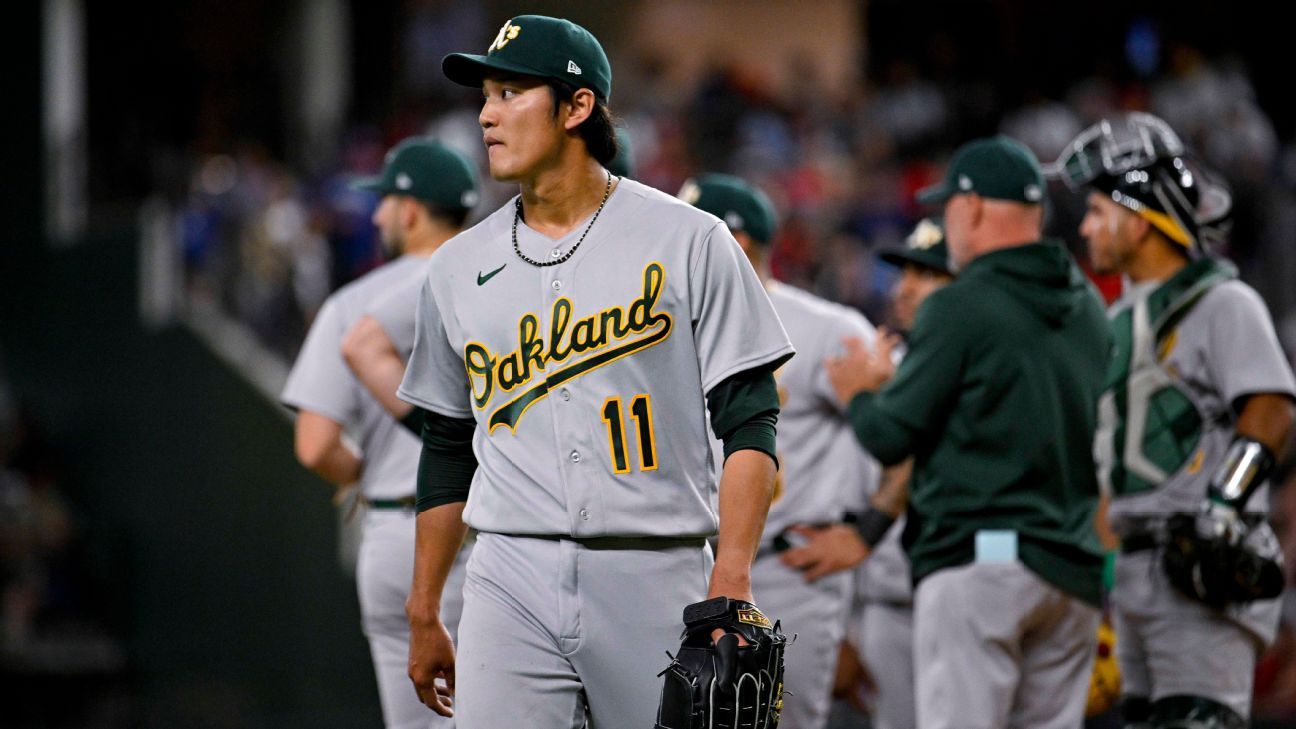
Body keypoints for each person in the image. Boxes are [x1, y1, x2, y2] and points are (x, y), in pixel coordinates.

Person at [395, 16, 794, 727]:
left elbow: (751, 418)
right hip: (508, 570)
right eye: (486, 94)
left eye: (512, 92)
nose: (487, 113)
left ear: (577, 108)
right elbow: (448, 447)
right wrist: (424, 606)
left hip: (655, 564)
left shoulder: (688, 239)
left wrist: (730, 574)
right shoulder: (454, 268)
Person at [826, 135, 1110, 729]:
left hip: (980, 562)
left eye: (947, 206)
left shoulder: (961, 304)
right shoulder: (1087, 305)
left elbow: (887, 436)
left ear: (972, 207)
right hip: (1071, 573)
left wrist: (861, 393)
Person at [1054, 111, 1295, 729]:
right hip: (1133, 570)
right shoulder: (1118, 318)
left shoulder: (1223, 300)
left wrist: (1224, 505)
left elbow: (1271, 409)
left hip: (1197, 565)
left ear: (1138, 219)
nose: (1085, 226)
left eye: (1098, 210)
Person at [281, 137, 478, 729]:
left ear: (411, 210)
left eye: (385, 202)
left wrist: (364, 479)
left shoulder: (355, 303)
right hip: (495, 527)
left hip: (400, 527)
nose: (375, 216)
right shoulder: (499, 282)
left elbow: (314, 443)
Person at [680, 173, 878, 729]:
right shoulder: (662, 331)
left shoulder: (828, 330)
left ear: (734, 245)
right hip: (690, 568)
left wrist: (864, 542)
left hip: (790, 574)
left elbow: (895, 448)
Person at [843, 217, 955, 729]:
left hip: (962, 591)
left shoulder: (976, 361)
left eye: (925, 275)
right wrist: (847, 622)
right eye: (903, 273)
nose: (903, 289)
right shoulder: (880, 362)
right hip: (885, 604)